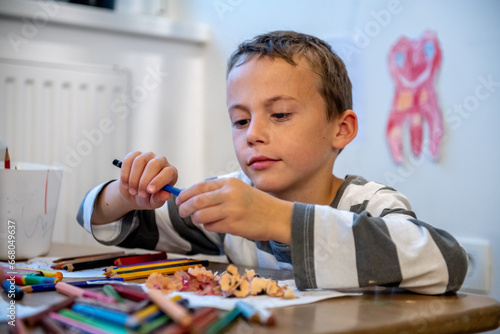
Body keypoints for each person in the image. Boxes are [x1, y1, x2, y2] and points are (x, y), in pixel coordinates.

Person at [77, 30, 467, 295]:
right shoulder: (229, 203)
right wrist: (127, 193)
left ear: (341, 129)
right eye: (241, 120)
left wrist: (275, 220)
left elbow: (448, 262)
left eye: (279, 114)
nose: (252, 134)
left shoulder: (370, 204)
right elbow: (107, 223)